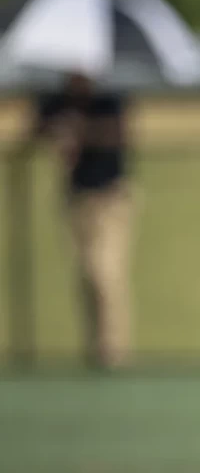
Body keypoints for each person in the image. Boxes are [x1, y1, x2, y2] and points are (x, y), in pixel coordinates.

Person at [30, 73, 133, 368]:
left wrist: (80, 131)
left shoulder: (109, 94)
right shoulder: (56, 96)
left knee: (104, 271)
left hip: (111, 195)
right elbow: (35, 129)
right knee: (86, 274)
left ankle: (113, 351)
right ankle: (96, 348)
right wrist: (58, 132)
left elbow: (119, 133)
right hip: (75, 196)